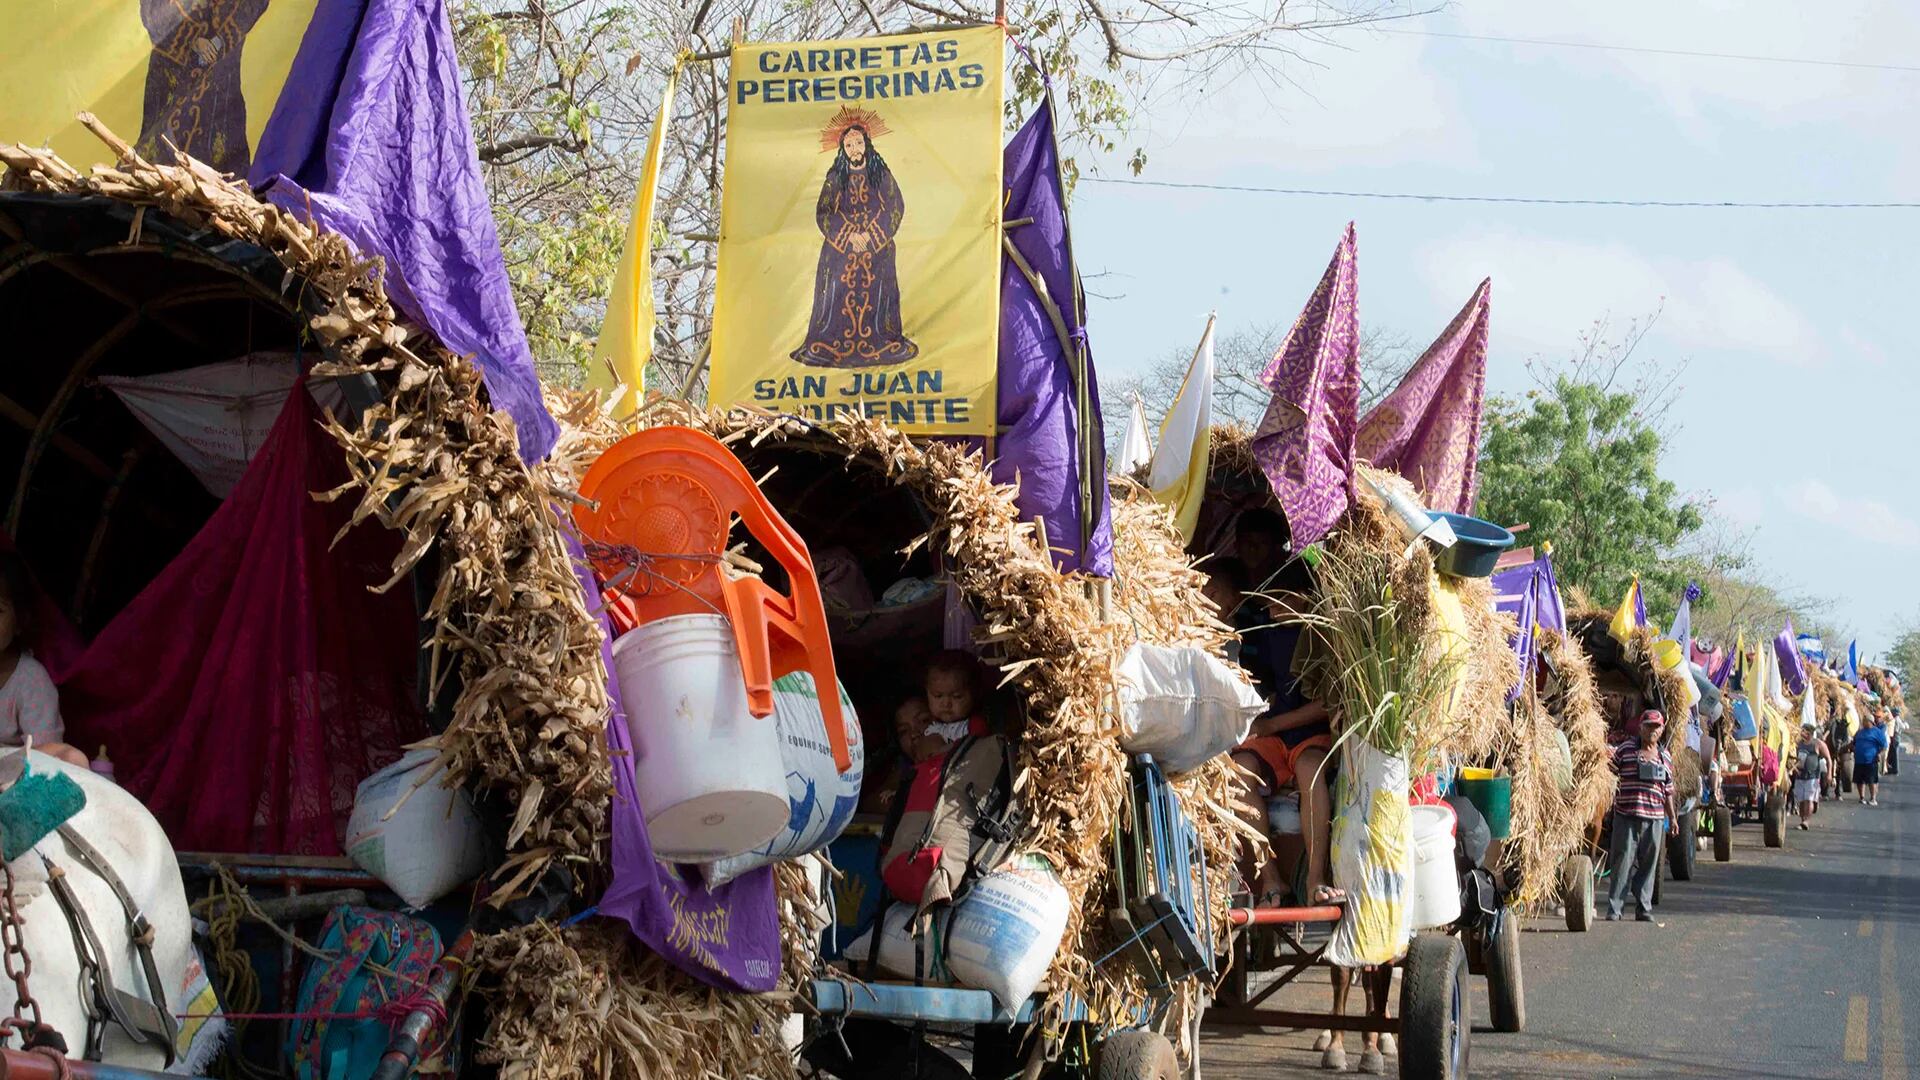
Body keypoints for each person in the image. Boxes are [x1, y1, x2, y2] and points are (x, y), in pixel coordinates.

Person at [1229, 547, 1340, 908]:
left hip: (1312, 737)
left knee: (1310, 771)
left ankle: (1314, 878)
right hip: (1278, 738)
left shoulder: (1327, 636)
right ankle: (1271, 880)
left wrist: (1274, 722)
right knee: (1240, 770)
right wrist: (1257, 721)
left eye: (1281, 601)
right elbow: (1277, 692)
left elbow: (1326, 703)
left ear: (1304, 599)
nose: (1273, 609)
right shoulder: (1272, 633)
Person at [0, 555, 89, 769]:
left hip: (12, 780)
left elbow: (47, 757)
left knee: (72, 759)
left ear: (21, 621)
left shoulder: (31, 682)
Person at [1605, 710, 1677, 923]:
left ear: (1662, 730)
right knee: (1622, 861)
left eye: (1656, 727)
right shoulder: (1625, 750)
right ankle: (1614, 908)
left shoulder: (1665, 758)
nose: (1652, 731)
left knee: (1649, 865)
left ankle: (1643, 907)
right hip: (1626, 816)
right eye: (1648, 726)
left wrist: (1672, 818)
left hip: (1654, 820)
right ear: (1640, 728)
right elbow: (1609, 774)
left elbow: (1668, 791)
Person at [1791, 720, 1827, 830]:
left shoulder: (1818, 744)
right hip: (1800, 776)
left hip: (1812, 777)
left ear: (1810, 733)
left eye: (1804, 731)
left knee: (1809, 799)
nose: (1802, 732)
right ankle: (1802, 820)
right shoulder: (1798, 744)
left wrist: (1829, 774)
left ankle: (1807, 820)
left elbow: (1829, 759)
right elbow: (1793, 756)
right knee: (1801, 800)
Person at [1853, 715, 1890, 806]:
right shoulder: (1859, 732)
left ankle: (1873, 798)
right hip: (1859, 760)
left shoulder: (1877, 732)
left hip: (1871, 760)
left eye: (1865, 721)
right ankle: (1861, 797)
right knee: (1859, 780)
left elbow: (1884, 746)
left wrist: (1879, 754)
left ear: (1870, 722)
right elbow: (1853, 742)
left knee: (1871, 780)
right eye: (1863, 720)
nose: (1863, 722)